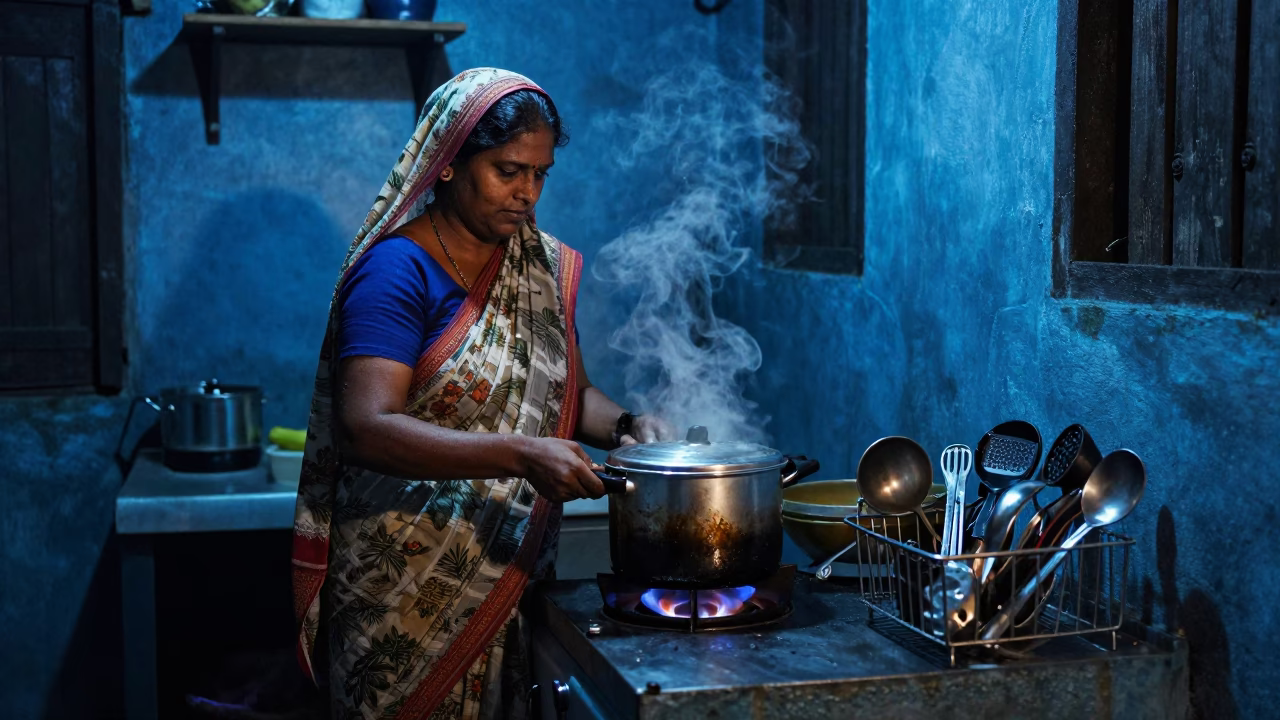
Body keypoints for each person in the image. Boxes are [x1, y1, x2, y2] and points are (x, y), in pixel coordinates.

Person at [290, 68, 673, 719]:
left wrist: (629, 425)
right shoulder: (397, 271)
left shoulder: (537, 265)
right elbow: (367, 426)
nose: (527, 193)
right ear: (446, 165)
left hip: (507, 577)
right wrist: (523, 455)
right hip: (405, 589)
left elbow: (568, 394)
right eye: (507, 170)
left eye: (540, 174)